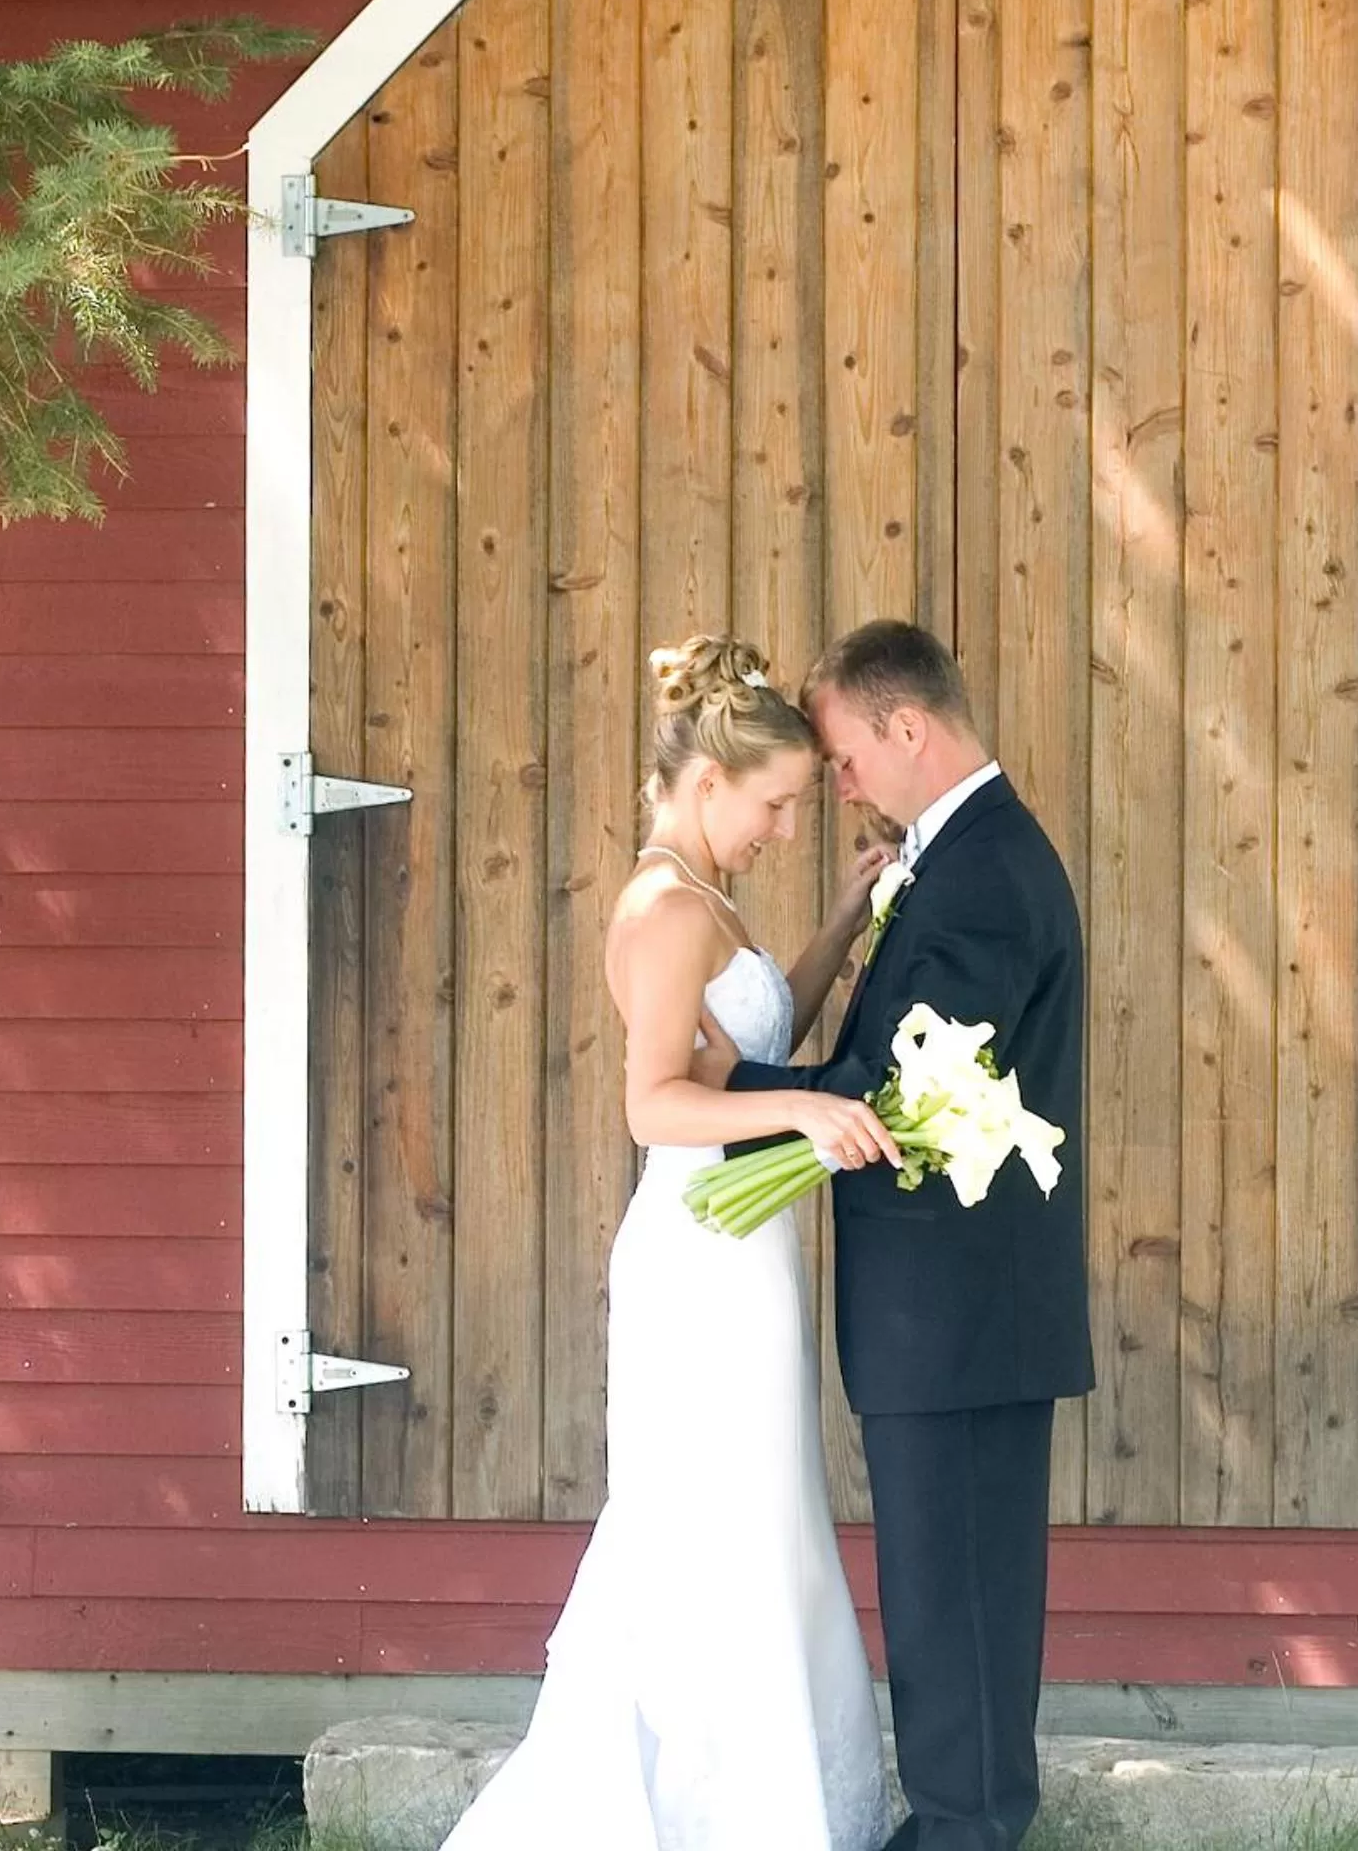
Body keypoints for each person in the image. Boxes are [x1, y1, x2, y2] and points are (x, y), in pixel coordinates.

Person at [440, 632, 896, 1851]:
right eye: (775, 804)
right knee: (705, 1524)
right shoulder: (657, 909)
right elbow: (656, 1102)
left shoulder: (708, 899)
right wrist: (803, 1105)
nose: (785, 828)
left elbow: (743, 1043)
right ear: (708, 785)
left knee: (766, 1515)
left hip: (745, 1257)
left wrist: (846, 915)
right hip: (694, 1261)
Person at [711, 618, 1094, 1851]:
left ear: (906, 727)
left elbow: (896, 1086)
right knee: (943, 1590)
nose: (839, 782)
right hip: (948, 1313)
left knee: (957, 1596)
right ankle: (959, 1819)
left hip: (963, 1312)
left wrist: (714, 1112)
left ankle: (965, 1829)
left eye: (841, 754)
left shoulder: (981, 875)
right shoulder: (954, 860)